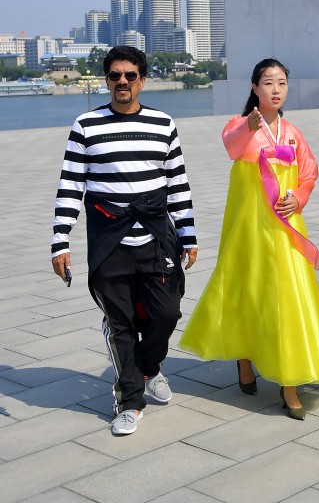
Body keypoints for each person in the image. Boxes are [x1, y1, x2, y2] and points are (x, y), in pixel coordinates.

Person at [179, 59, 319, 420]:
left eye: (282, 83)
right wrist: (248, 127)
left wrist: (298, 197)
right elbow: (232, 148)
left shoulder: (292, 132)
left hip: (285, 229)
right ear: (254, 88)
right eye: (268, 82)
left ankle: (289, 382)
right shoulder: (239, 126)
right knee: (247, 291)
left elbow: (310, 173)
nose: (275, 89)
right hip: (249, 229)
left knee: (289, 298)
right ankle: (244, 357)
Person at [51, 45, 198, 436]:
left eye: (130, 75)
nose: (122, 82)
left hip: (155, 235)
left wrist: (189, 234)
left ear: (142, 80)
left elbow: (178, 184)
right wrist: (60, 241)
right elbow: (70, 186)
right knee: (120, 323)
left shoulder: (163, 124)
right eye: (115, 75)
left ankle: (149, 368)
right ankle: (130, 400)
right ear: (107, 80)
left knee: (166, 313)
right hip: (108, 236)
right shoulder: (86, 125)